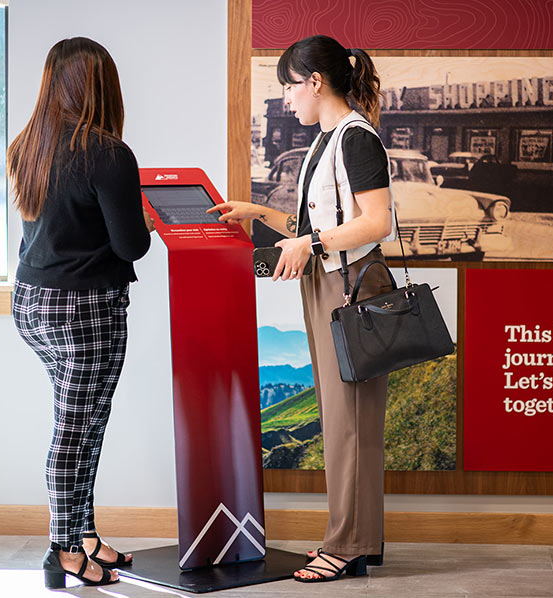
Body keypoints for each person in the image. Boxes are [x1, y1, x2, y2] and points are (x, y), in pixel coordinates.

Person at [208, 35, 395, 582]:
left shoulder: (356, 139)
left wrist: (309, 245)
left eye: (290, 86)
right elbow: (318, 226)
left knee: (351, 424)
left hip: (353, 287)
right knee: (341, 420)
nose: (287, 99)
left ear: (316, 82)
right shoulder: (324, 140)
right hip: (328, 284)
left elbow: (375, 223)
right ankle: (354, 540)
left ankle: (349, 543)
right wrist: (259, 211)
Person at [7, 37, 153, 588]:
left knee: (82, 420)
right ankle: (62, 549)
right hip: (86, 307)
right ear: (102, 86)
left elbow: (54, 227)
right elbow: (130, 246)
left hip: (32, 304)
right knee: (77, 429)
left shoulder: (27, 146)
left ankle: (84, 535)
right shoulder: (108, 153)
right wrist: (144, 216)